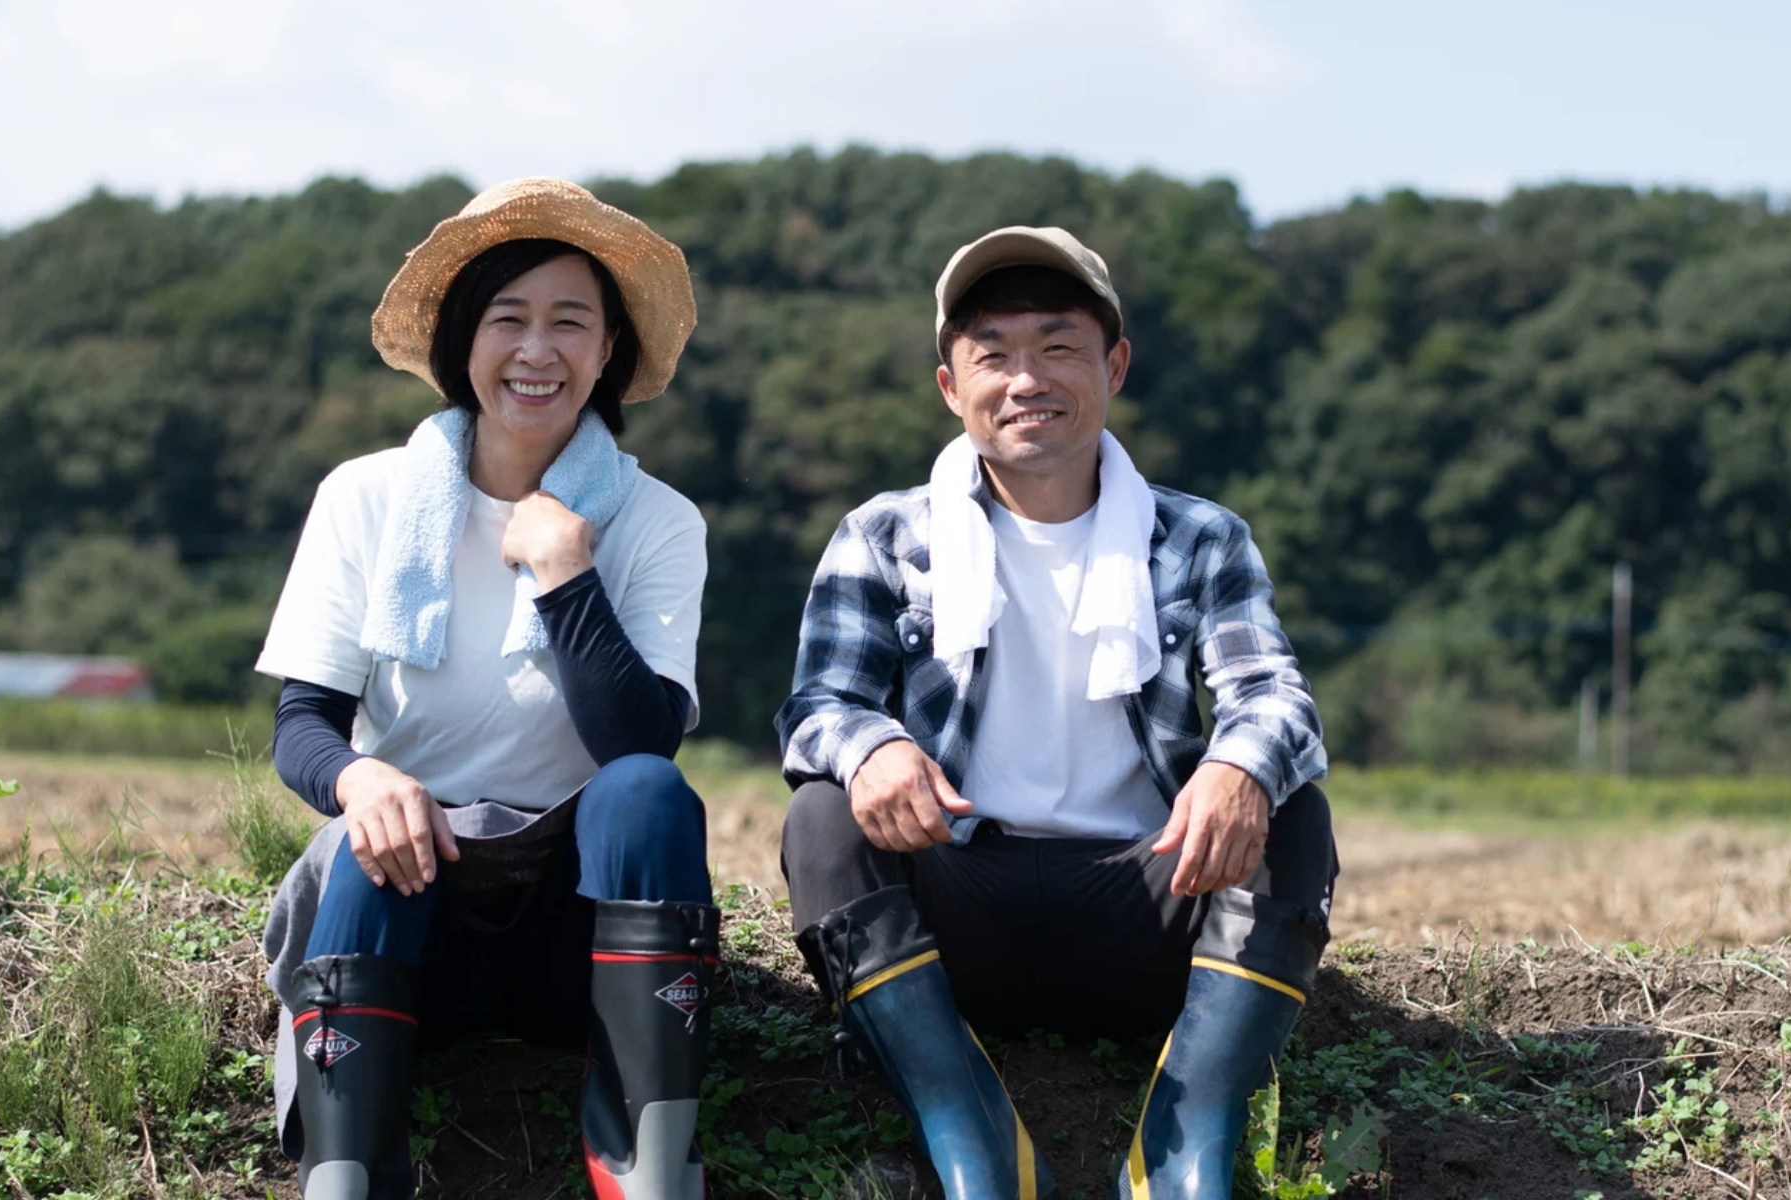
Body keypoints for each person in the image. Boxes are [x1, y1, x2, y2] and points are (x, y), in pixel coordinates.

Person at [776, 226, 1336, 1198]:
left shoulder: (1200, 536)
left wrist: (1238, 767)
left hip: (1150, 901)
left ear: (1112, 365)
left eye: (1059, 346)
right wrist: (872, 750)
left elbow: (1272, 695)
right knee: (824, 813)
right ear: (952, 386)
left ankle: (1184, 1138)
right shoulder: (883, 534)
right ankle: (968, 1133)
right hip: (957, 917)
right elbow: (821, 703)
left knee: (1289, 802)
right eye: (993, 353)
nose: (1026, 378)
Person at [255, 178, 715, 1200]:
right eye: (509, 319)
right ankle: (343, 1179)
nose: (537, 352)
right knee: (369, 833)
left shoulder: (659, 521)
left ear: (609, 354)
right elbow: (305, 725)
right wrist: (359, 782)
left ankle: (649, 1170)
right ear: (465, 342)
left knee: (646, 793)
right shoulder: (366, 497)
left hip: (577, 932)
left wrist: (565, 574)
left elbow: (640, 743)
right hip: (413, 904)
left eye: (570, 324)